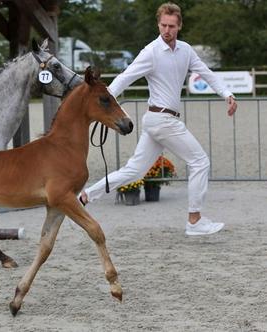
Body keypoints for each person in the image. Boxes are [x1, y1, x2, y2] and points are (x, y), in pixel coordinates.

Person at [79, 2, 237, 236]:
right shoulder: (151, 51)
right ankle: (194, 221)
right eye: (163, 25)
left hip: (158, 122)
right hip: (163, 121)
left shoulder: (185, 50)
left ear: (179, 26)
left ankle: (84, 196)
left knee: (134, 171)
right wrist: (103, 102)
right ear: (158, 24)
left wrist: (227, 94)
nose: (166, 30)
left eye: (171, 26)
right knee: (200, 162)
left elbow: (206, 73)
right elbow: (126, 77)